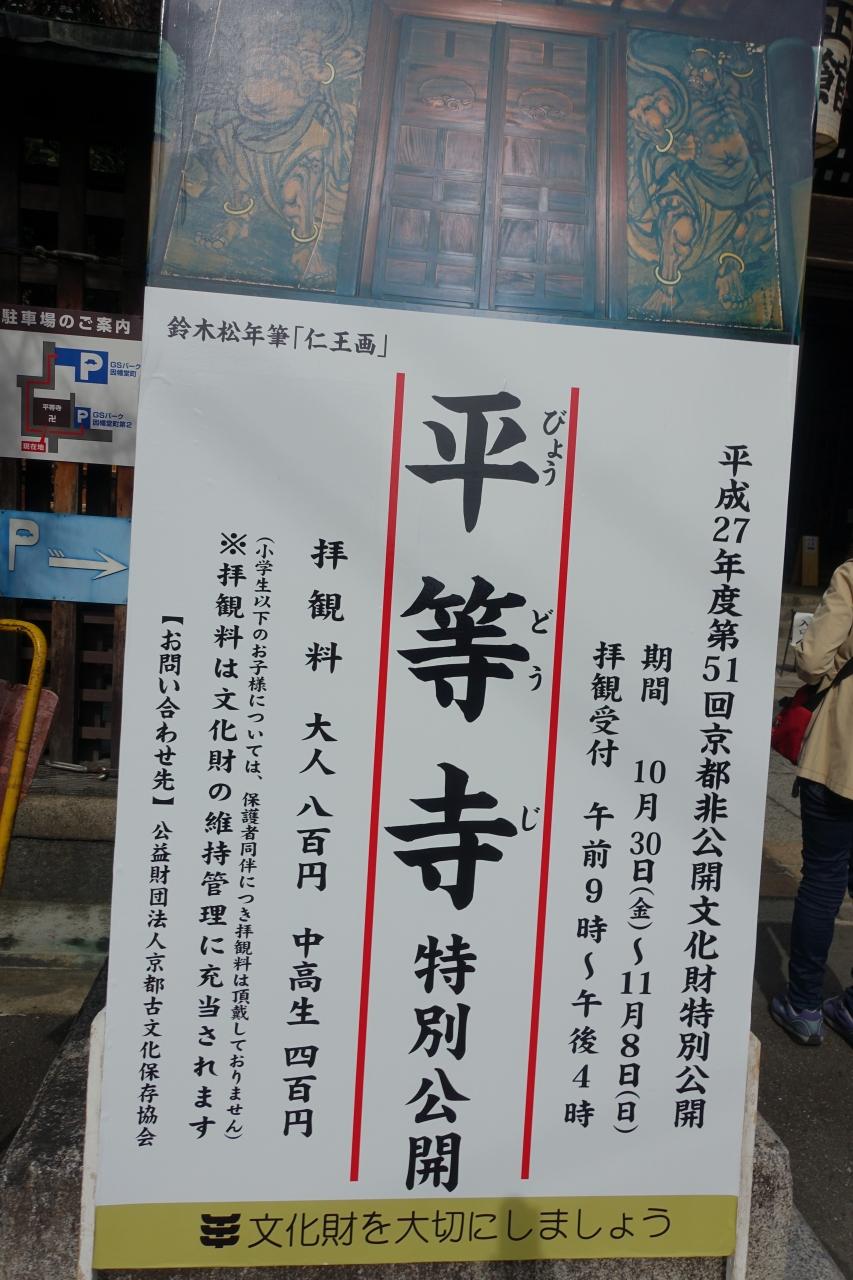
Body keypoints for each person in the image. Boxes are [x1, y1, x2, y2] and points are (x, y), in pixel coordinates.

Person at [770, 559, 853, 1047]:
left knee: (823, 879)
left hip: (843, 757)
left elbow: (813, 661)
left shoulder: (852, 574)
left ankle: (804, 1006)